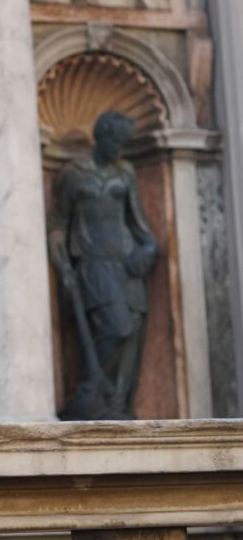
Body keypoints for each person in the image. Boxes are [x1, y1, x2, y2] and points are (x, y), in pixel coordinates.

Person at [48, 110, 157, 420]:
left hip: (126, 263)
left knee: (131, 334)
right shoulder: (73, 174)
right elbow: (58, 222)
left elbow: (138, 222)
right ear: (103, 138)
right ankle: (90, 388)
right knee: (117, 329)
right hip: (92, 264)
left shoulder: (125, 174)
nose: (121, 149)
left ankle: (115, 404)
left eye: (125, 144)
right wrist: (61, 262)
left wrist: (148, 249)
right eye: (118, 142)